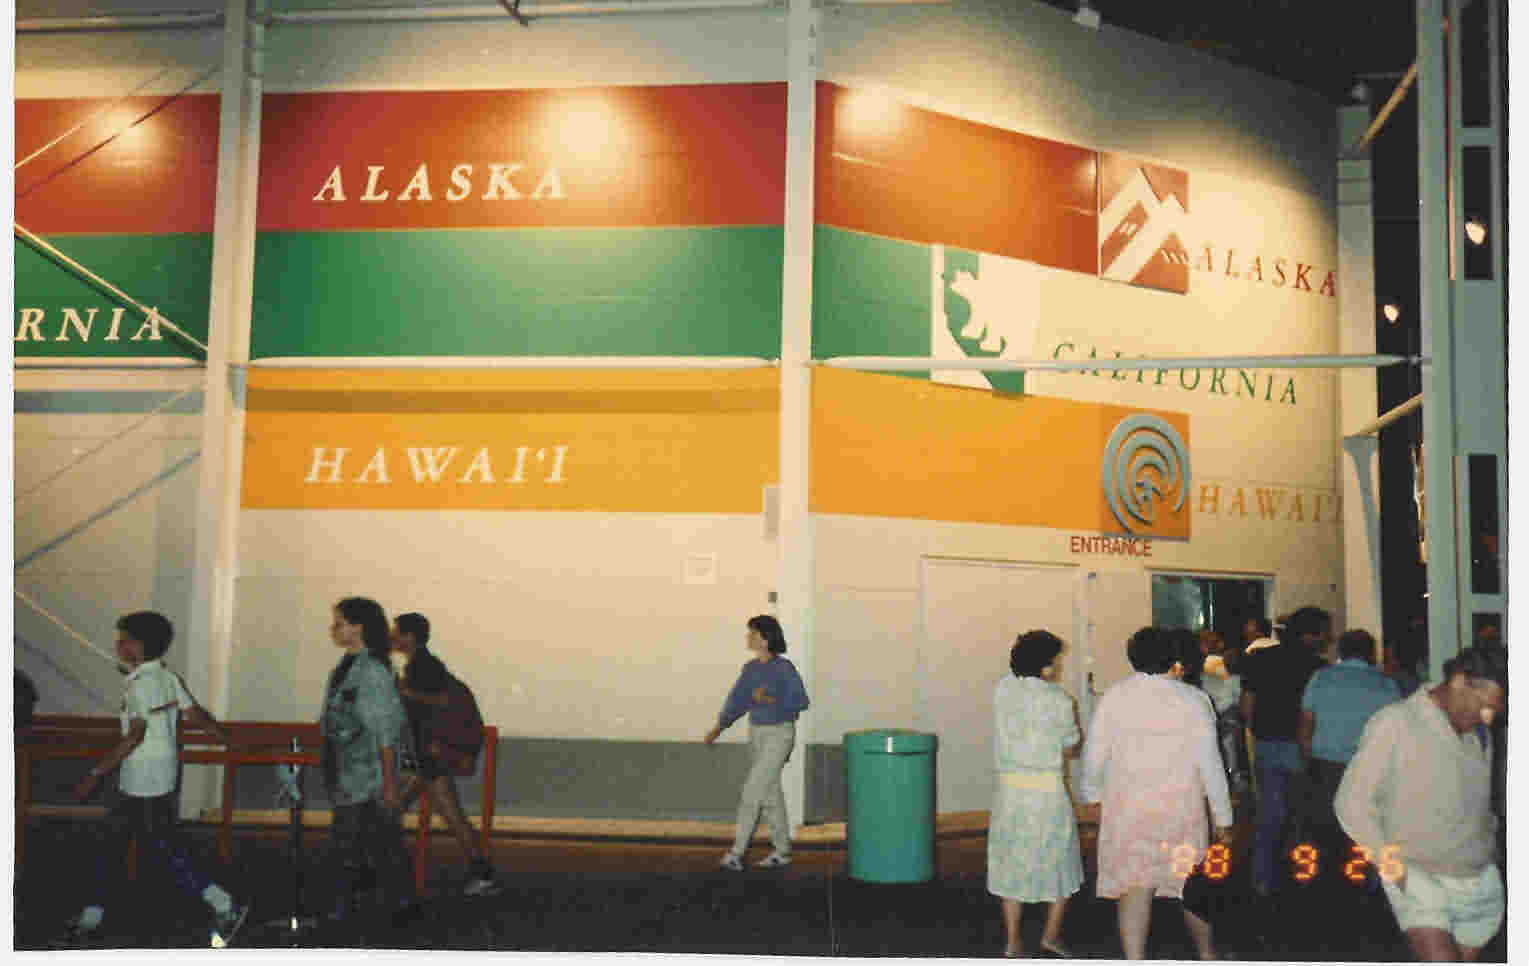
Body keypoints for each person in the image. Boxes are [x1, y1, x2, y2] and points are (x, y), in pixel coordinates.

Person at [65, 611, 248, 947]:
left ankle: (224, 904)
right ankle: (92, 915)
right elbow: (195, 714)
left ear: (139, 645)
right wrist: (228, 739)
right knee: (118, 842)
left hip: (141, 778)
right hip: (160, 774)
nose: (118, 645)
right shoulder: (166, 677)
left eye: (124, 639)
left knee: (158, 848)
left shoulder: (140, 684)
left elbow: (136, 734)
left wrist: (95, 773)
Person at [1335, 643, 1507, 962]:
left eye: (1495, 711)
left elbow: (1478, 803)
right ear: (1459, 681)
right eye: (1485, 706)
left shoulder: (1479, 733)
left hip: (1479, 882)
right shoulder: (1396, 722)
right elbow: (1350, 805)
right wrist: (1397, 872)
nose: (1489, 718)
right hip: (1418, 877)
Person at [1080, 627, 1234, 960]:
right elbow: (1211, 764)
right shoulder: (1195, 700)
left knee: (1135, 887)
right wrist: (1223, 817)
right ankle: (1208, 955)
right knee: (1191, 886)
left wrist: (1092, 795)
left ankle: (1135, 959)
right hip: (1182, 810)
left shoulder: (1115, 697)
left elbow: (1094, 755)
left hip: (1128, 810)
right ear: (1174, 659)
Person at [390, 612, 502, 896]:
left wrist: (404, 692)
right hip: (431, 756)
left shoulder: (423, 667)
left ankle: (376, 875)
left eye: (397, 632)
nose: (392, 636)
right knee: (451, 814)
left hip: (430, 755)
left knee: (390, 808)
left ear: (409, 637)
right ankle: (483, 874)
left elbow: (440, 702)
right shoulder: (422, 665)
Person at [987, 630, 1083, 958]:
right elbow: (1071, 746)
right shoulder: (1060, 701)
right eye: (1055, 661)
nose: (1057, 666)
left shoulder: (1002, 691)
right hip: (1047, 790)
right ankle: (1050, 937)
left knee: (1010, 860)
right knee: (1060, 860)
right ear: (1045, 665)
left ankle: (1012, 940)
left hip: (1010, 790)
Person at [321, 597, 415, 922]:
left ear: (358, 627)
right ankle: (390, 904)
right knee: (373, 842)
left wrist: (389, 784)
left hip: (370, 775)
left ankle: (384, 907)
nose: (334, 629)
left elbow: (385, 730)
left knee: (364, 842)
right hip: (349, 771)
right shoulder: (349, 666)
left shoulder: (372, 671)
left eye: (340, 623)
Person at [704, 615, 810, 870]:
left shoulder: (784, 668)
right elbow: (737, 701)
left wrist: (771, 699)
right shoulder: (750, 669)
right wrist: (718, 728)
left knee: (752, 791)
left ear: (765, 638)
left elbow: (801, 701)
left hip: (779, 735)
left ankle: (736, 853)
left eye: (753, 633)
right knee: (770, 794)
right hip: (757, 735)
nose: (748, 637)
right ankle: (782, 851)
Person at [1239, 605, 1329, 898]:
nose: (1326, 639)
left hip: (1266, 744)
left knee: (1269, 815)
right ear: (1311, 634)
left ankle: (1262, 879)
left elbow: (1246, 707)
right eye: (1323, 633)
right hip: (1301, 746)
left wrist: (1257, 732)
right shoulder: (1319, 667)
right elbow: (1317, 715)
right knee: (1303, 816)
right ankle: (1303, 878)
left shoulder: (1259, 659)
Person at [1297, 629, 1400, 868]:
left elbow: (1306, 723)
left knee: (1324, 832)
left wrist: (1306, 760)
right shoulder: (1386, 684)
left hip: (1326, 768)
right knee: (1365, 832)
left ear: (1341, 652)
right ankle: (1363, 880)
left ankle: (1328, 879)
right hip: (1370, 770)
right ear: (1371, 654)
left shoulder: (1321, 678)